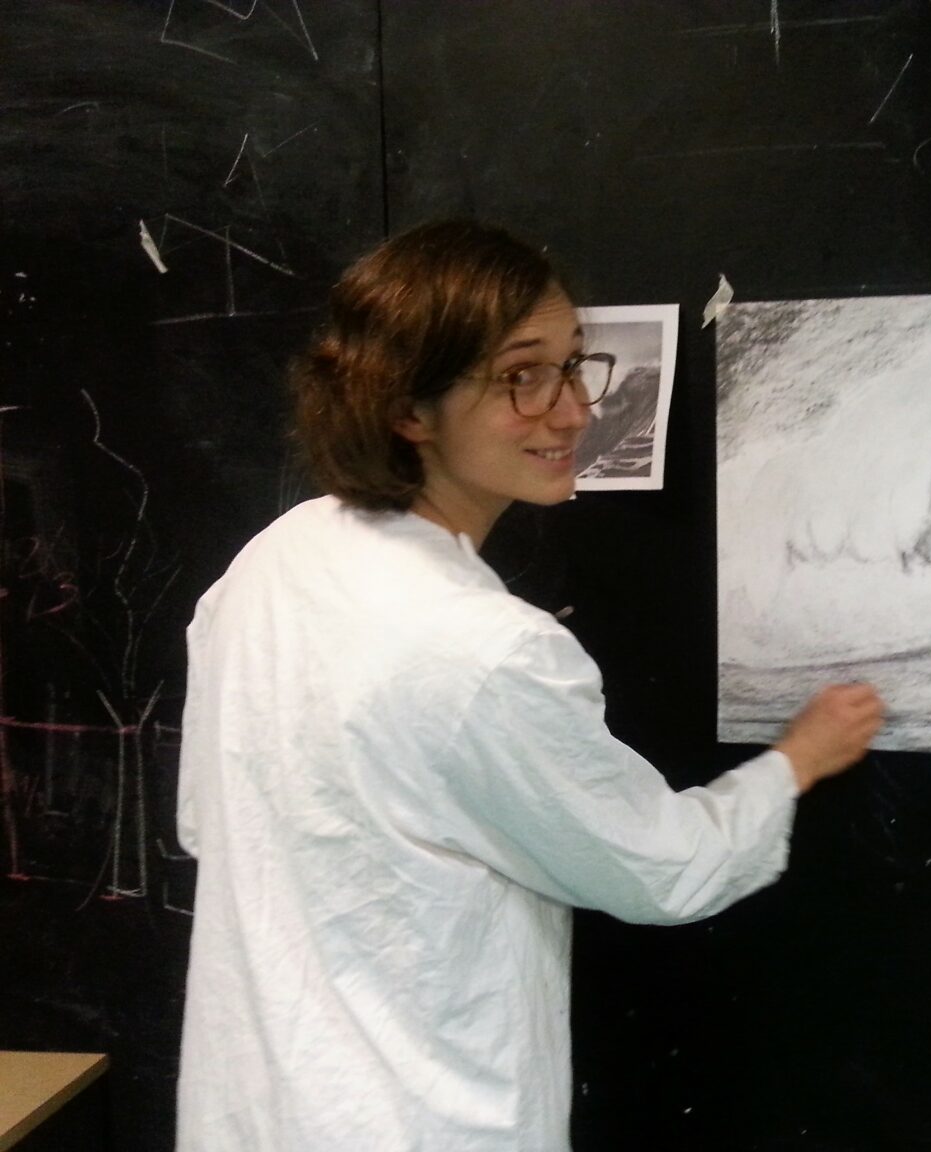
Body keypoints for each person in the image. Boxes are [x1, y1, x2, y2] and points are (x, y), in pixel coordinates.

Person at [174, 219, 884, 1151]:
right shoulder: (491, 653)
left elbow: (207, 821)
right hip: (418, 1123)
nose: (574, 411)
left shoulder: (271, 562)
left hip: (251, 1107)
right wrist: (795, 761)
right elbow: (665, 869)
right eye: (522, 376)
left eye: (574, 364)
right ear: (408, 409)